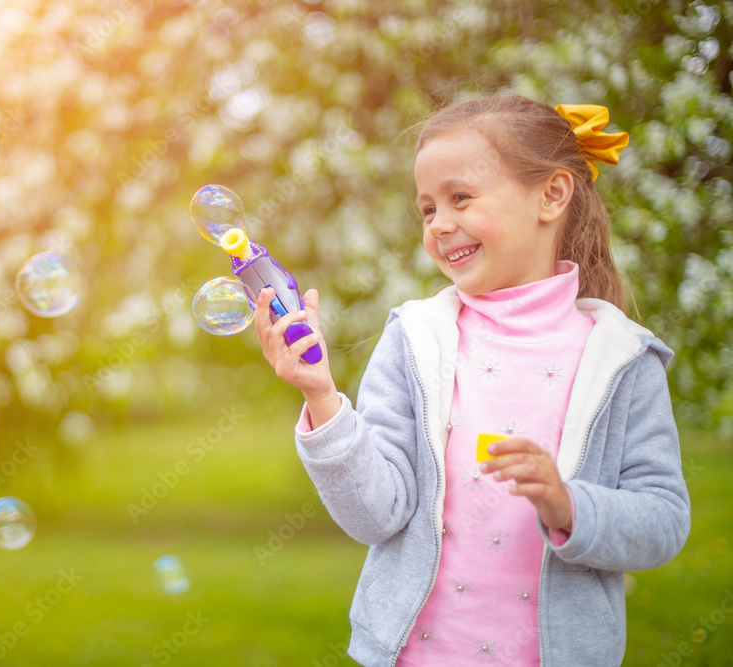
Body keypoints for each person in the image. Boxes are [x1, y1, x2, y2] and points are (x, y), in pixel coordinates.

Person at [254, 94, 691, 667]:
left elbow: (662, 521)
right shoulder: (414, 339)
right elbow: (377, 515)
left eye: (461, 197)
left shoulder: (623, 361)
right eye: (427, 208)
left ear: (552, 195)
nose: (440, 224)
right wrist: (321, 397)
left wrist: (569, 505)